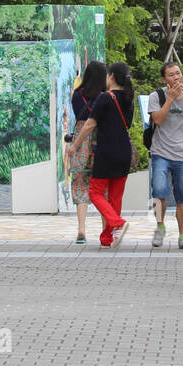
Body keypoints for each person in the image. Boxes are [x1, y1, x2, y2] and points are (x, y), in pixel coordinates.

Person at [65, 62, 135, 248]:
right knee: (115, 197)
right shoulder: (129, 99)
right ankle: (107, 238)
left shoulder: (105, 98)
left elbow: (90, 124)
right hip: (124, 152)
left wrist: (74, 147)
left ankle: (118, 223)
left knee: (95, 192)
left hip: (106, 152)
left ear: (111, 76)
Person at [148, 61, 183, 250]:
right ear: (164, 79)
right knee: (159, 190)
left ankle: (182, 236)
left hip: (182, 154)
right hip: (160, 152)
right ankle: (160, 227)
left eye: (178, 73)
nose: (176, 77)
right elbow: (158, 120)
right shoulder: (157, 96)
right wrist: (170, 99)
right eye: (171, 75)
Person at [67, 61, 106, 244]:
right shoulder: (105, 96)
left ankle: (81, 230)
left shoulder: (76, 95)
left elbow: (78, 115)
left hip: (80, 140)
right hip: (100, 139)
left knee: (80, 183)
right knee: (102, 186)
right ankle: (106, 229)